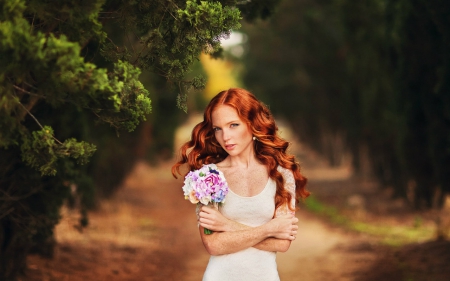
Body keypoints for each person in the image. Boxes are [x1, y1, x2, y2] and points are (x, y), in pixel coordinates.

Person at [172, 88, 309, 281]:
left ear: (252, 124)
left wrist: (226, 225)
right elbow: (213, 245)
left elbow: (282, 243)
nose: (225, 137)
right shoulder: (208, 177)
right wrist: (269, 229)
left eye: (233, 125)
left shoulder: (281, 174)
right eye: (218, 128)